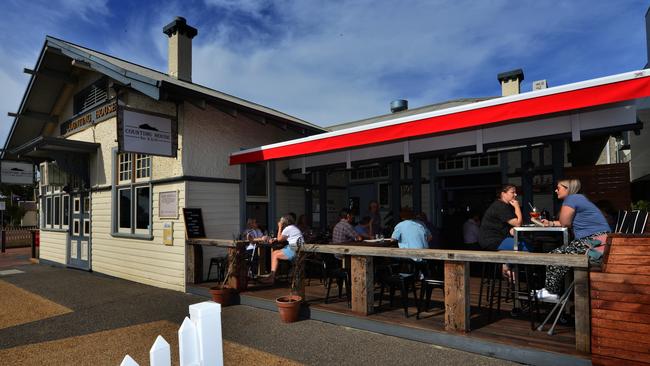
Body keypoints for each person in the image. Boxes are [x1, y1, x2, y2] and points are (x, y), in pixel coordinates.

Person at [539, 179, 611, 297]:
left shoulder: (572, 199)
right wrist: (551, 223)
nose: (556, 190)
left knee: (554, 257)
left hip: (593, 244)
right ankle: (555, 290)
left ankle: (552, 291)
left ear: (567, 189)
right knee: (559, 254)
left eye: (558, 188)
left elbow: (565, 222)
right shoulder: (579, 198)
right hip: (598, 241)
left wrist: (559, 217)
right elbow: (567, 222)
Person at [478, 184, 527, 251]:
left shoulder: (507, 205)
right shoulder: (500, 206)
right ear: (503, 194)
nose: (515, 195)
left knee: (527, 243)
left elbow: (518, 221)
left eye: (515, 192)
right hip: (492, 240)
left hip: (500, 237)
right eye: (512, 192)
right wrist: (517, 206)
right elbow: (518, 223)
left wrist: (510, 229)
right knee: (525, 247)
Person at [259, 214, 303, 284]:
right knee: (275, 253)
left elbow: (279, 239)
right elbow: (284, 238)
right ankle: (271, 276)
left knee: (274, 254)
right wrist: (275, 239)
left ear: (284, 222)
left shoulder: (288, 228)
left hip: (294, 250)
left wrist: (280, 227)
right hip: (298, 249)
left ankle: (272, 277)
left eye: (281, 221)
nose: (279, 222)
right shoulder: (293, 227)